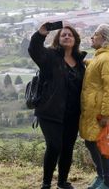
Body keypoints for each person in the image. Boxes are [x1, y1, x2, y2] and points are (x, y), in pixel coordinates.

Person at [28, 23, 86, 189]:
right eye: (63, 35)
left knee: (67, 148)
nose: (67, 37)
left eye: (70, 35)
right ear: (58, 40)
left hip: (72, 113)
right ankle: (46, 183)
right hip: (50, 111)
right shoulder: (50, 57)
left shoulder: (81, 63)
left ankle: (62, 182)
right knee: (54, 146)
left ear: (75, 40)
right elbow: (34, 50)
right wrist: (40, 35)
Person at [80, 24, 109, 189]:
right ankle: (101, 177)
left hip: (102, 114)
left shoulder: (108, 59)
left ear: (105, 39)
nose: (92, 37)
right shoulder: (102, 57)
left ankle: (108, 182)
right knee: (91, 143)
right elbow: (95, 66)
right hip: (95, 112)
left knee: (103, 146)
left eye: (95, 34)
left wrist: (106, 115)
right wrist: (82, 60)